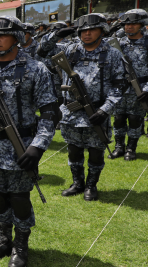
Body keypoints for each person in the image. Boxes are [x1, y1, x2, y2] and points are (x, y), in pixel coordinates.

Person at [0, 16, 57, 267]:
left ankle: (21, 244)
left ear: (16, 37)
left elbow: (49, 112)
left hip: (22, 145)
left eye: (1, 35)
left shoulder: (35, 68)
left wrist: (38, 146)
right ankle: (3, 238)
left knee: (19, 196)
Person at [38, 13, 125, 201]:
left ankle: (91, 185)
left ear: (102, 30)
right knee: (74, 150)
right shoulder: (70, 50)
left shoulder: (112, 54)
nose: (87, 34)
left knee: (95, 152)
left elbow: (119, 86)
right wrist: (56, 34)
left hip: (96, 112)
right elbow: (43, 51)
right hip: (71, 113)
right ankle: (77, 183)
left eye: (92, 29)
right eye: (83, 30)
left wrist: (105, 110)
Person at [110, 9, 148, 161]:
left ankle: (131, 148)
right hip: (120, 88)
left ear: (142, 25)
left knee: (135, 118)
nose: (128, 27)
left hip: (140, 89)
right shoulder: (117, 44)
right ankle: (119, 147)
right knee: (118, 118)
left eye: (133, 24)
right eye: (126, 24)